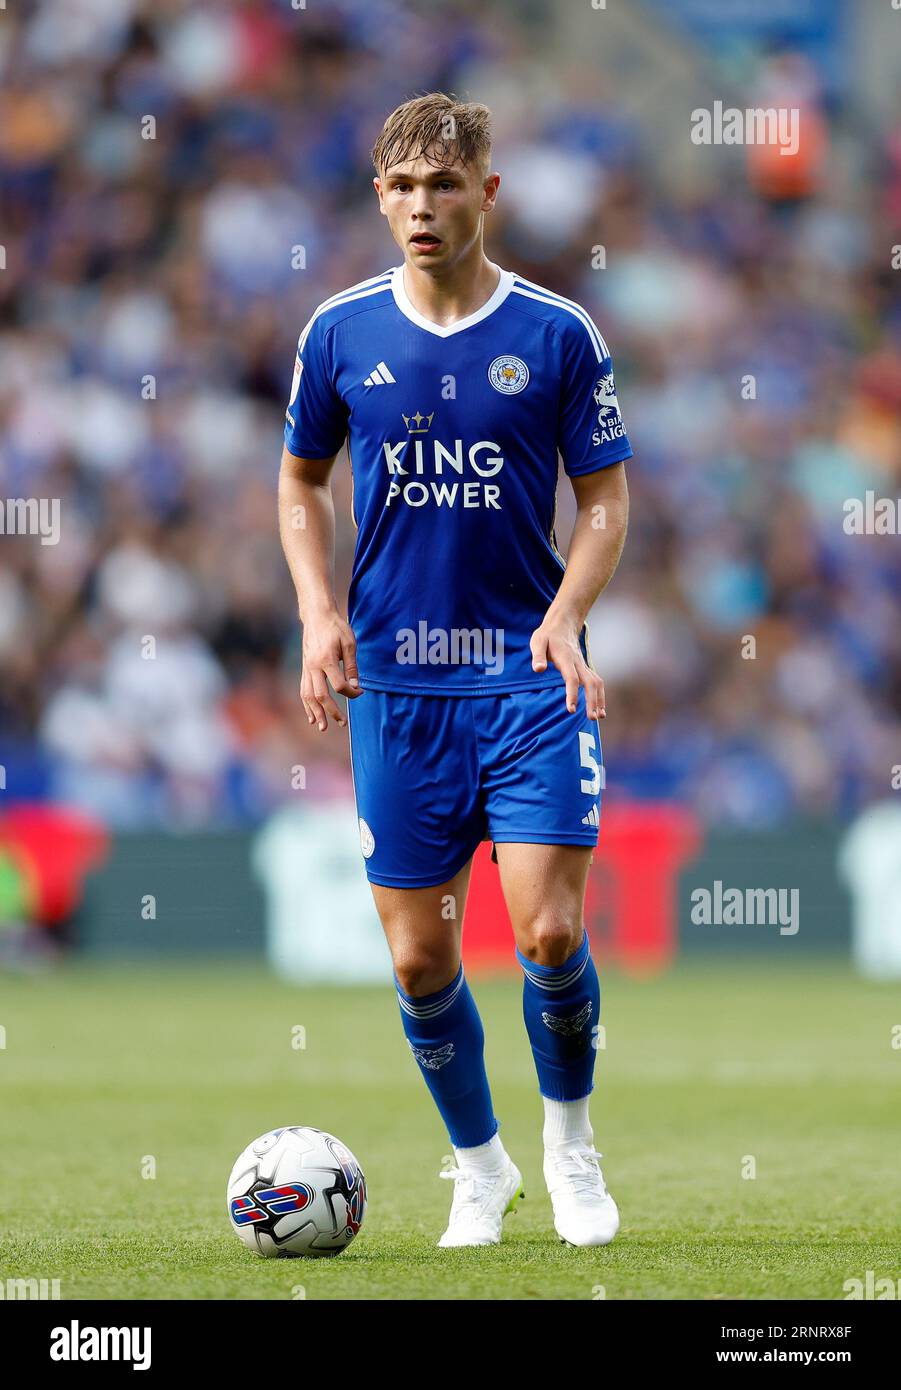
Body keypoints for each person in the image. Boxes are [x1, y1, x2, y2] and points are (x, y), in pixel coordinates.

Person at [278, 92, 631, 1248]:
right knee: (422, 954)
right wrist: (317, 611)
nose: (421, 207)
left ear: (487, 193)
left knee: (547, 937)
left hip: (526, 676)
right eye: (401, 188)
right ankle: (478, 1168)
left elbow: (604, 498)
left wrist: (571, 613)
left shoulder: (557, 334)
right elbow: (298, 485)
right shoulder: (338, 333)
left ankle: (568, 1147)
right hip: (398, 687)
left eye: (443, 186)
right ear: (379, 197)